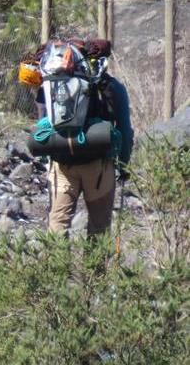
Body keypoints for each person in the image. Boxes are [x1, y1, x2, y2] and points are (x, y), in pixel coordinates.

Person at [28, 39, 134, 237]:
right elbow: (125, 131)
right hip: (99, 165)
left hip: (61, 164)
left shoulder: (50, 85)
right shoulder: (110, 86)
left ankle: (56, 259)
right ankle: (95, 260)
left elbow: (43, 121)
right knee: (99, 230)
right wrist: (123, 166)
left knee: (57, 227)